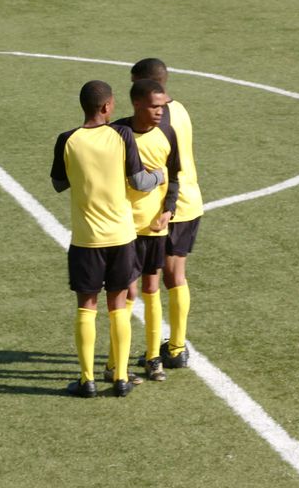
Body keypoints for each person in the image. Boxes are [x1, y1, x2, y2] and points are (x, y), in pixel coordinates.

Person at [50, 80, 164, 398]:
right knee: (118, 305)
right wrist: (160, 175)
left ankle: (87, 380)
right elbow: (139, 181)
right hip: (122, 237)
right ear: (106, 107)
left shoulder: (67, 140)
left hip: (86, 240)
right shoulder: (122, 135)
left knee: (86, 307)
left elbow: (58, 183)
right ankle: (121, 378)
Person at [103, 79, 179, 382]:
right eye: (154, 106)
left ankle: (152, 358)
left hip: (154, 228)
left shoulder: (167, 133)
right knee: (127, 292)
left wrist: (169, 210)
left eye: (162, 106)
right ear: (137, 104)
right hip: (123, 229)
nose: (160, 112)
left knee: (151, 288)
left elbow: (174, 177)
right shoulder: (116, 133)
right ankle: (115, 365)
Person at [131, 58, 202, 369]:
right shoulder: (180, 108)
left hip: (168, 206)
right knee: (176, 277)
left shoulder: (157, 123)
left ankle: (168, 349)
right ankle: (175, 346)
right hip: (191, 199)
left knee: (157, 280)